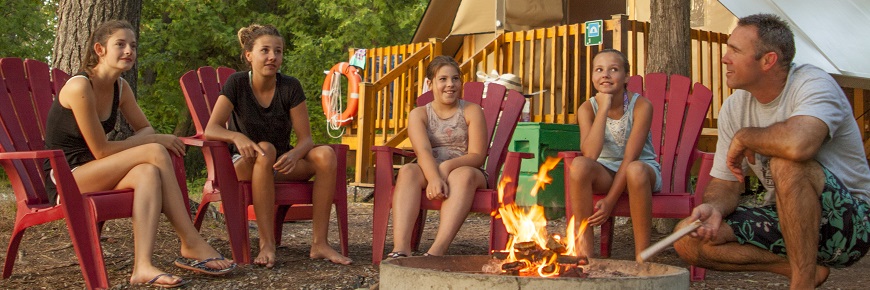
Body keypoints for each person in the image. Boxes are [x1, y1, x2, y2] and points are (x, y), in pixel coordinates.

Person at [673, 14, 870, 289]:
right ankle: (803, 271)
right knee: (688, 236)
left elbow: (799, 145)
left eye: (735, 50)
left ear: (768, 60)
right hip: (786, 217)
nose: (724, 58)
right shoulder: (735, 107)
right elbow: (725, 182)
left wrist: (747, 137)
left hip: (850, 225)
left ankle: (800, 285)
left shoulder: (812, 84)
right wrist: (714, 207)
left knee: (787, 163)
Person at [43, 20, 235, 288]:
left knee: (147, 171)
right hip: (67, 178)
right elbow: (101, 150)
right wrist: (151, 142)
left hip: (96, 172)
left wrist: (147, 140)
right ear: (99, 49)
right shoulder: (80, 86)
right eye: (120, 45)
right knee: (156, 151)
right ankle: (190, 241)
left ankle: (142, 266)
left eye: (132, 45)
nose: (128, 51)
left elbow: (144, 128)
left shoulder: (120, 88)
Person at [203, 24, 351, 267]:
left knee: (325, 154)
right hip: (243, 165)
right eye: (265, 50)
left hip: (279, 164)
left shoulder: (290, 86)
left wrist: (295, 154)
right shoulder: (237, 83)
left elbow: (306, 140)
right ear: (249, 56)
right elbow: (212, 129)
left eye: (278, 51)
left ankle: (320, 243)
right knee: (265, 149)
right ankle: (266, 244)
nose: (272, 56)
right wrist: (237, 137)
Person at [386, 55, 487, 258]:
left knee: (462, 176)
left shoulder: (471, 111)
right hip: (430, 168)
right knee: (407, 171)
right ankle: (401, 249)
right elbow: (422, 151)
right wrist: (433, 177)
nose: (450, 85)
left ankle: (436, 252)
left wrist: (446, 168)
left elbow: (477, 155)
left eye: (455, 79)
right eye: (443, 79)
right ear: (430, 84)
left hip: (467, 171)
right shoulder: (419, 114)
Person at [567, 49, 661, 261]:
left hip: (642, 173)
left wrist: (609, 202)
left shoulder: (641, 106)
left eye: (614, 70)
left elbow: (630, 159)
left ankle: (643, 258)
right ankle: (584, 256)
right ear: (592, 76)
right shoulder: (587, 109)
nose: (605, 75)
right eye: (599, 70)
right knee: (580, 165)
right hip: (606, 172)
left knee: (634, 170)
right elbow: (590, 154)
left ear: (627, 76)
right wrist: (603, 108)